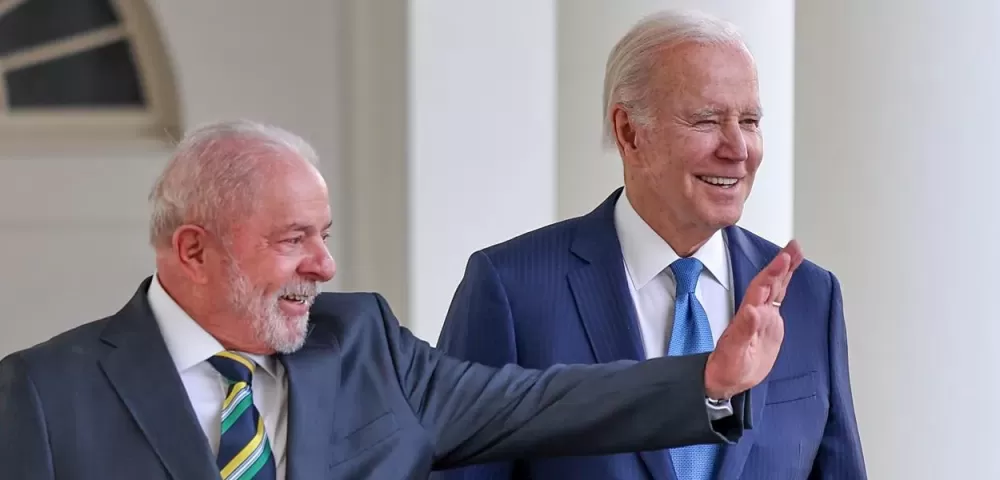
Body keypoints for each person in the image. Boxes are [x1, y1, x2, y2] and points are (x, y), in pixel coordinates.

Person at [0, 119, 802, 480]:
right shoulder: (40, 394)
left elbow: (539, 401)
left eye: (325, 232)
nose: (326, 263)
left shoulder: (363, 344)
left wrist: (709, 381)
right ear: (194, 250)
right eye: (293, 240)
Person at [433, 9, 866, 480]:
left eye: (749, 120)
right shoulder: (513, 291)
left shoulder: (809, 296)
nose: (738, 148)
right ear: (629, 132)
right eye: (706, 120)